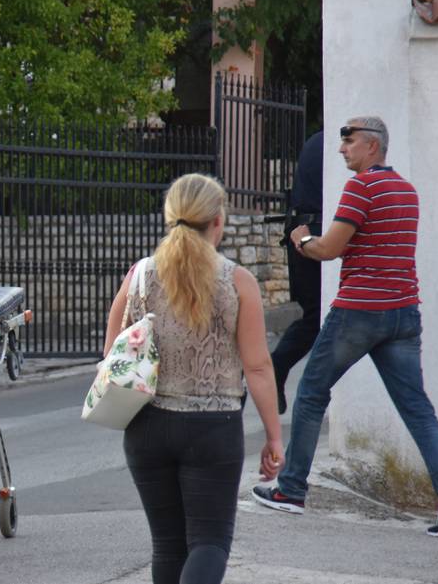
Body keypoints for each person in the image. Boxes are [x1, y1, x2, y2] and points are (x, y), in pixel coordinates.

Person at [252, 116, 438, 538]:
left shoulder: (361, 187)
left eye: (349, 143)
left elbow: (329, 249)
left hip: (359, 312)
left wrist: (301, 239)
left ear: (372, 146)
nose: (343, 150)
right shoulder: (406, 190)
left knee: (310, 393)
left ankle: (290, 490)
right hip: (403, 313)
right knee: (417, 408)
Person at [104, 173, 284, 584]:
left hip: (146, 426)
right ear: (217, 221)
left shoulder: (140, 275)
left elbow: (113, 351)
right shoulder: (237, 282)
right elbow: (258, 367)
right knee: (209, 541)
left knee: (168, 544)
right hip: (213, 429)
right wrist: (274, 437)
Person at [270, 130, 323, 414]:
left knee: (314, 316)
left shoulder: (316, 140)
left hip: (303, 232)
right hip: (313, 234)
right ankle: (278, 367)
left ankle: (278, 367)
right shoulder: (338, 146)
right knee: (319, 317)